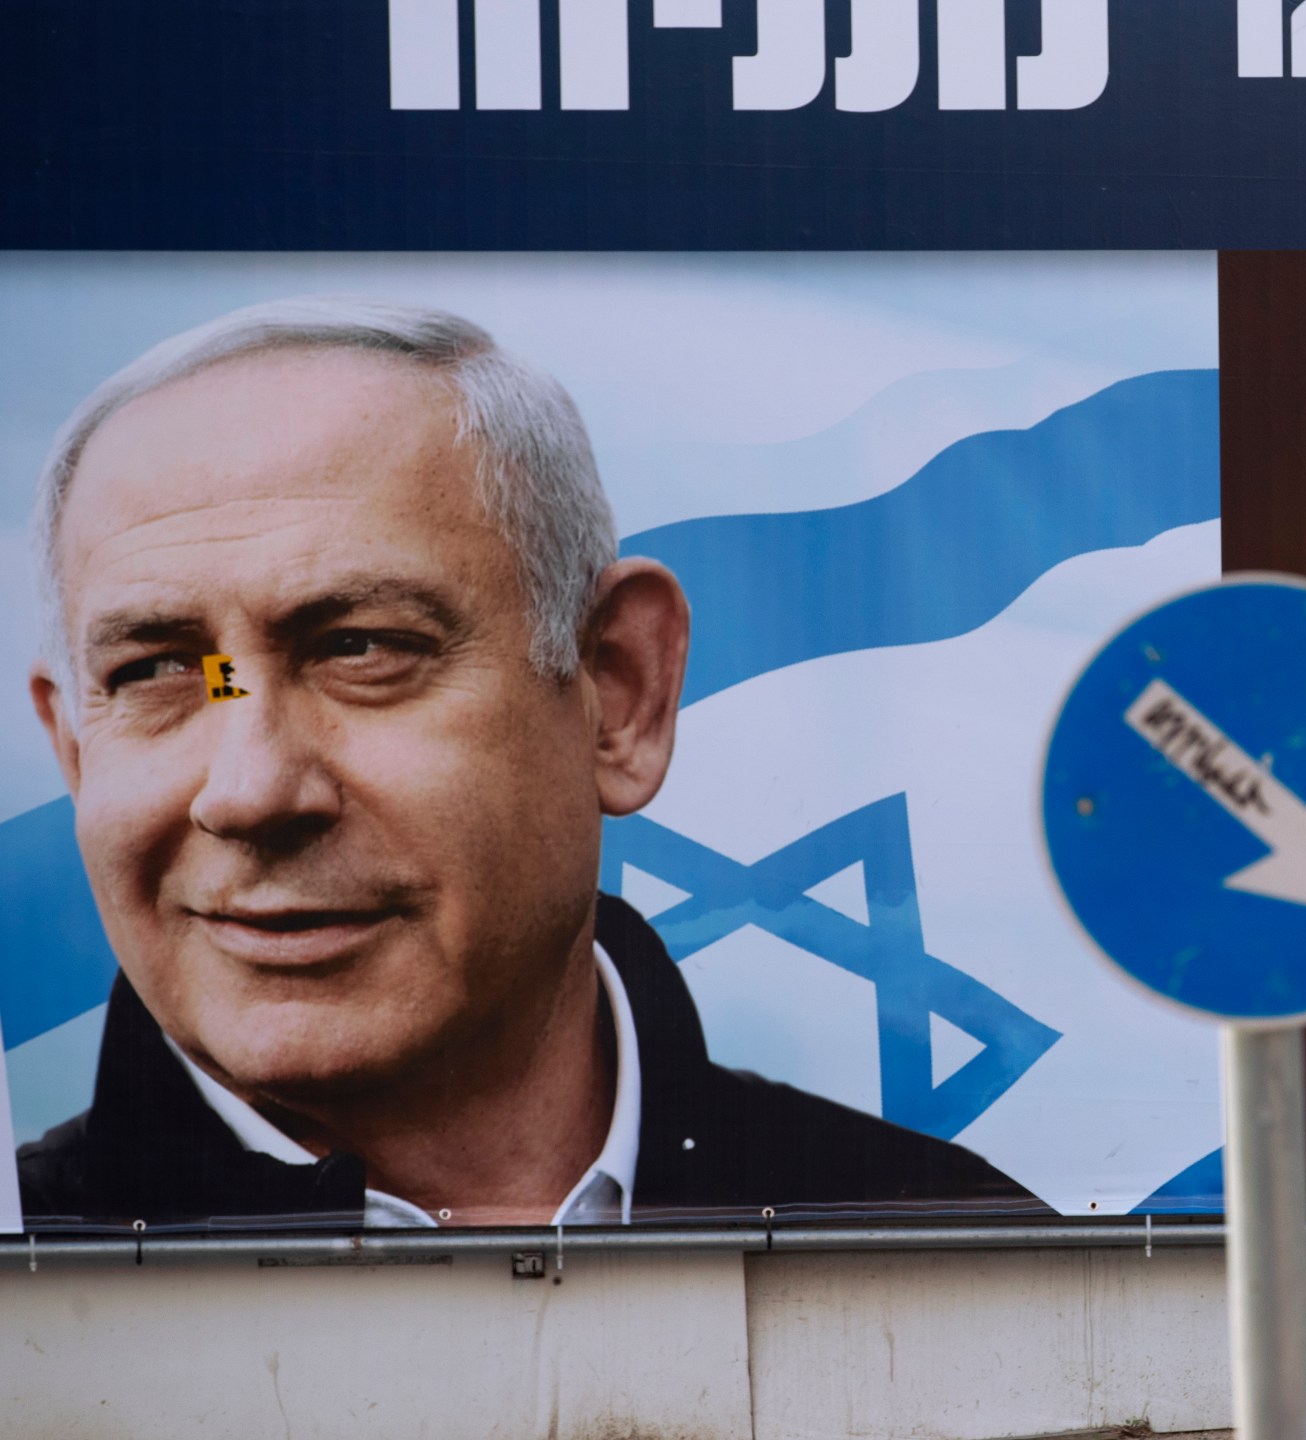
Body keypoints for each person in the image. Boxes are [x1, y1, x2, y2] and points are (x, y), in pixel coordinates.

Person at [17, 297, 1030, 1228]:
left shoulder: (957, 1251)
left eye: (359, 648)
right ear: (74, 749)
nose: (247, 789)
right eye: (157, 670)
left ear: (618, 694)